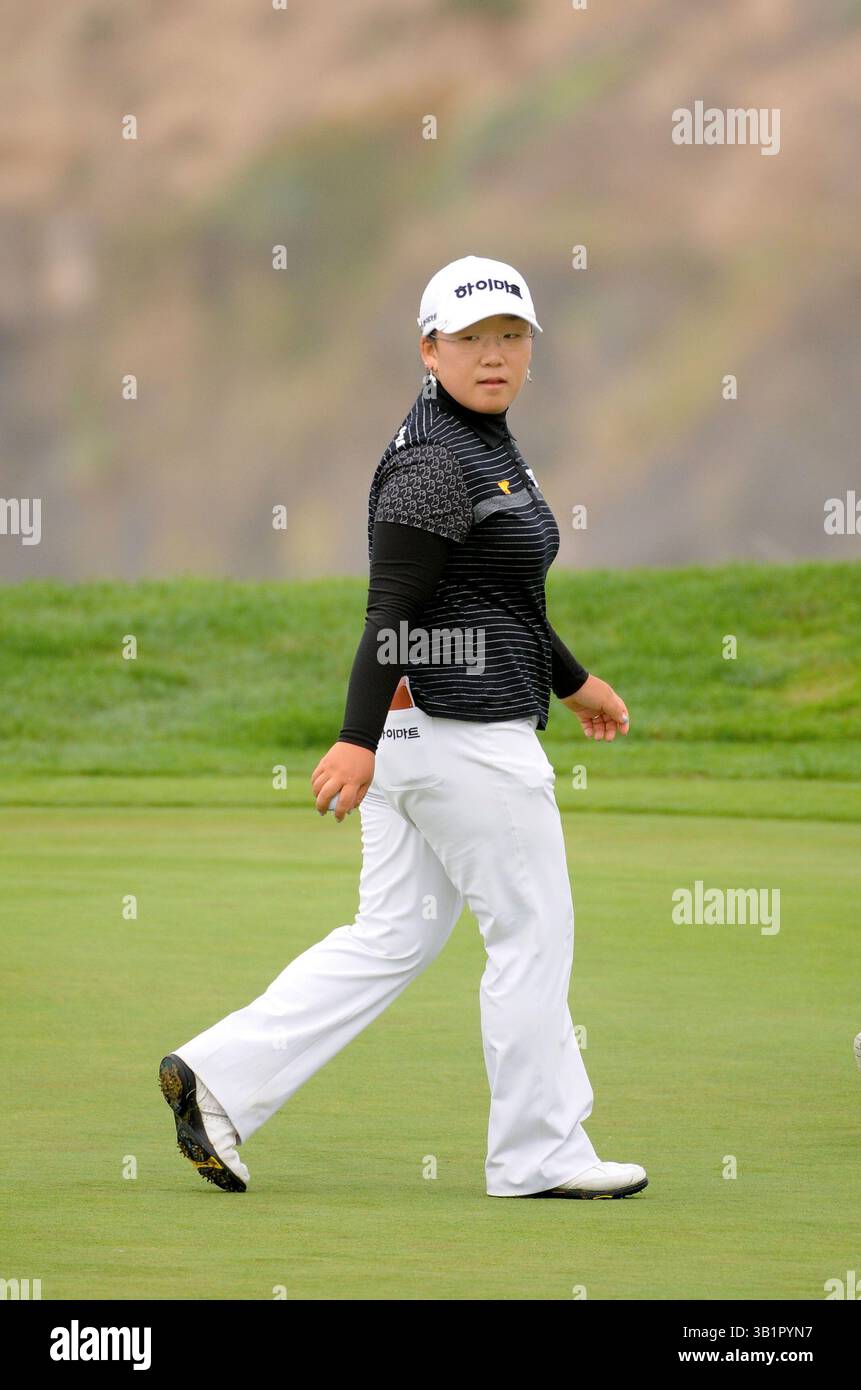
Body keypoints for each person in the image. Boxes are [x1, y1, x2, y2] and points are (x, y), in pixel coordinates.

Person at [159, 254, 648, 1200]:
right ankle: (538, 1154)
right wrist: (354, 736)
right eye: (470, 340)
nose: (493, 354)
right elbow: (394, 609)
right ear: (429, 350)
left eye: (510, 336)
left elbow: (500, 597)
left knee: (393, 935)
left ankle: (215, 1076)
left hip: (425, 737)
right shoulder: (435, 462)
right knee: (530, 934)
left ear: (530, 347)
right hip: (461, 737)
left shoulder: (484, 443)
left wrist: (575, 680)